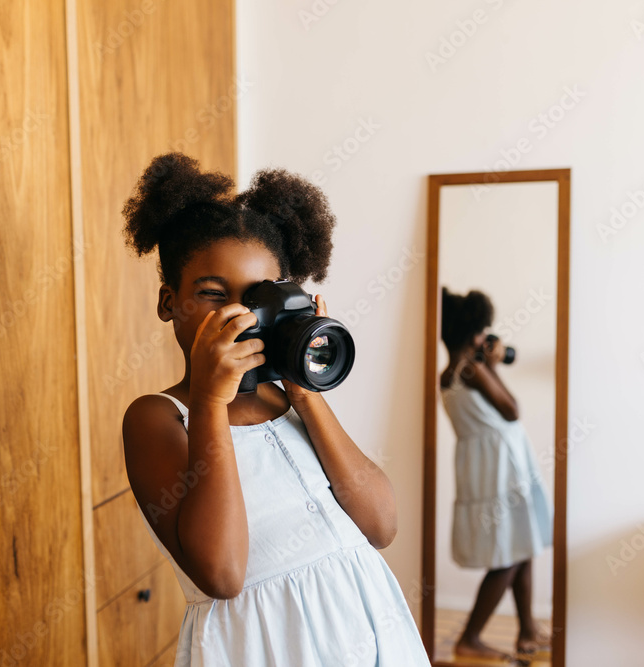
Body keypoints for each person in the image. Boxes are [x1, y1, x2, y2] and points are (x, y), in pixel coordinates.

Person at [120, 153, 430, 666]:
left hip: (369, 628)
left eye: (260, 298)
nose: (239, 318)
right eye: (213, 294)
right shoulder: (160, 417)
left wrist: (307, 386)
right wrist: (211, 401)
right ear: (168, 302)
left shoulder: (290, 401)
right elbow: (222, 573)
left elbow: (381, 525)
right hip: (264, 645)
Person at [439, 287, 553, 663]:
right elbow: (512, 408)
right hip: (501, 464)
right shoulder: (472, 369)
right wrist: (492, 365)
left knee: (519, 544)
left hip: (485, 463)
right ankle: (470, 637)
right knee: (508, 554)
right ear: (474, 333)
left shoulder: (448, 373)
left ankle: (526, 629)